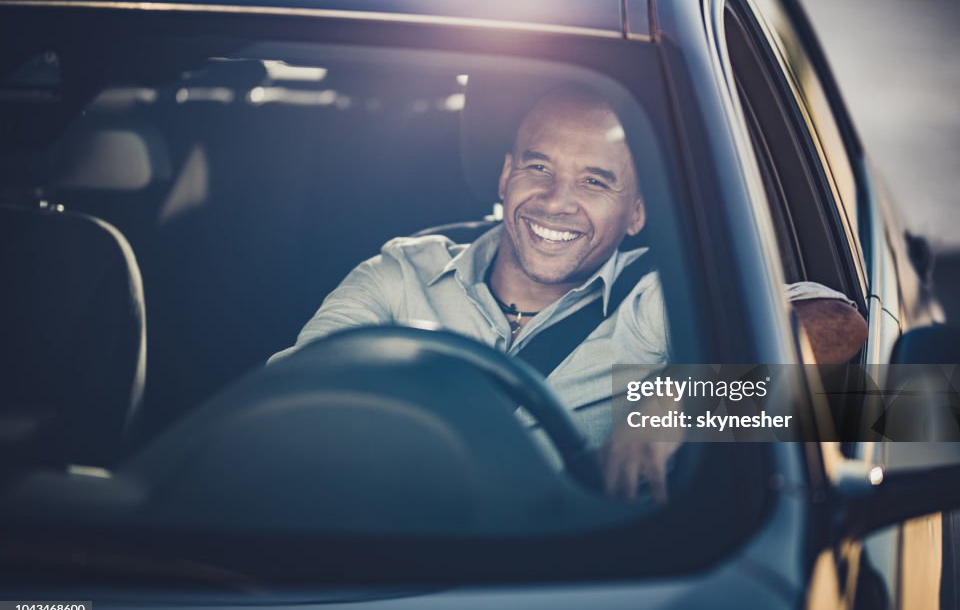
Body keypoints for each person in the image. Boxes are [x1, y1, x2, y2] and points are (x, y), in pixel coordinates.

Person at [269, 84, 867, 501]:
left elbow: (838, 326)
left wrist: (682, 396)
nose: (556, 201)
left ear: (636, 213)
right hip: (374, 562)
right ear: (505, 175)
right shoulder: (402, 275)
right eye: (538, 168)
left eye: (594, 181)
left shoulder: (659, 299)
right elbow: (284, 409)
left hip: (566, 582)